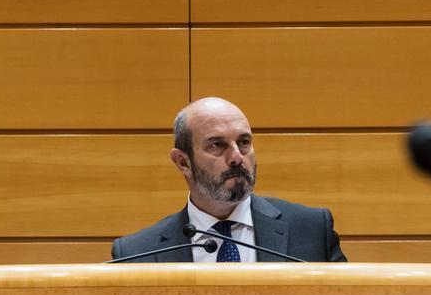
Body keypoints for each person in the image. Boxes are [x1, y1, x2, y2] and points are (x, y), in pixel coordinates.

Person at [111, 97, 346, 263]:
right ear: (183, 162)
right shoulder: (137, 254)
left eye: (244, 142)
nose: (236, 157)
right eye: (217, 145)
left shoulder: (312, 230)